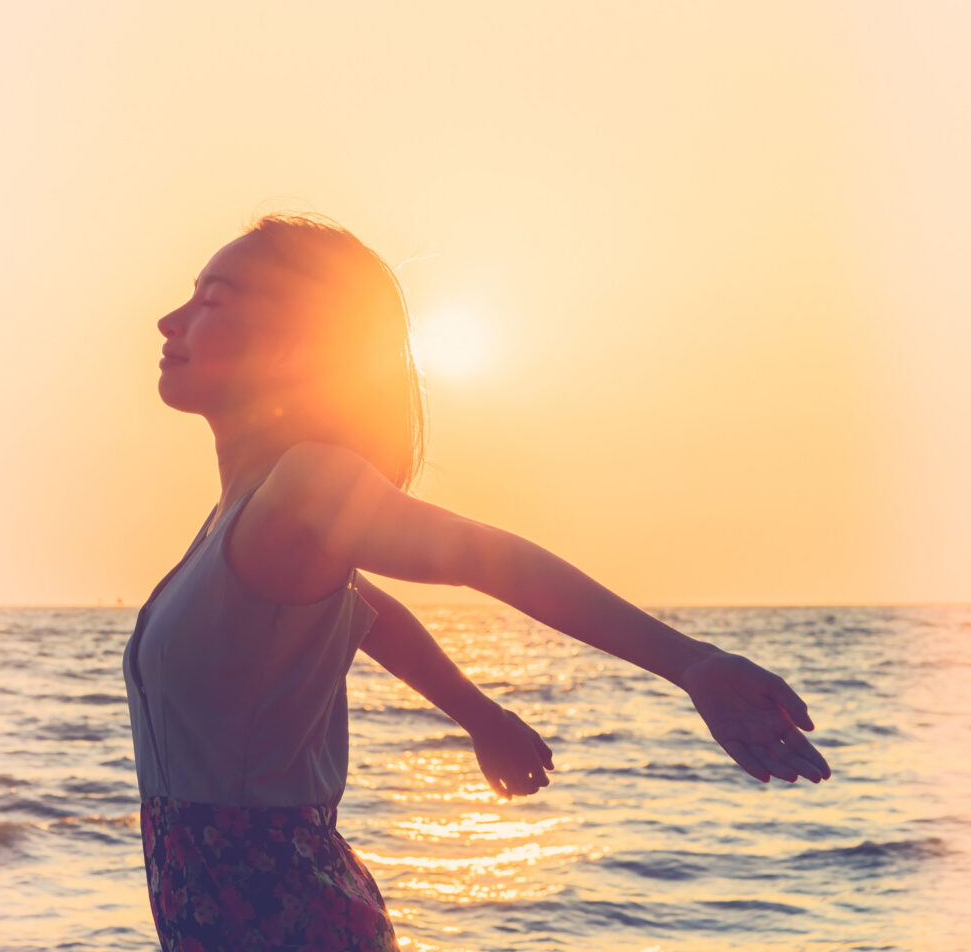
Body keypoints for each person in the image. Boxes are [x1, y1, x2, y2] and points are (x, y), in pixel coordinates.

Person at [124, 213, 830, 952]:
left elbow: (482, 555)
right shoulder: (244, 515)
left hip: (287, 923)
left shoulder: (305, 482)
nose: (172, 320)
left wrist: (692, 664)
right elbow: (362, 608)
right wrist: (476, 713)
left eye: (215, 299)